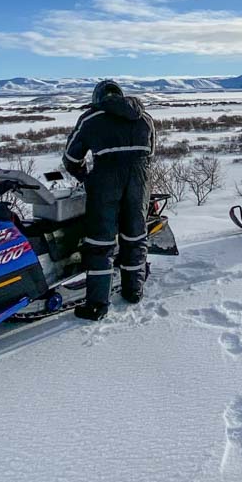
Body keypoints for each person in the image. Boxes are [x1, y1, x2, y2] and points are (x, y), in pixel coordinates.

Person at [62, 80, 156, 321]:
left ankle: (97, 304)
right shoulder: (145, 118)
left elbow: (71, 157)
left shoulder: (91, 119)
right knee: (135, 237)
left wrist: (85, 177)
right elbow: (150, 153)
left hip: (106, 182)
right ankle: (133, 291)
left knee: (100, 242)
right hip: (141, 180)